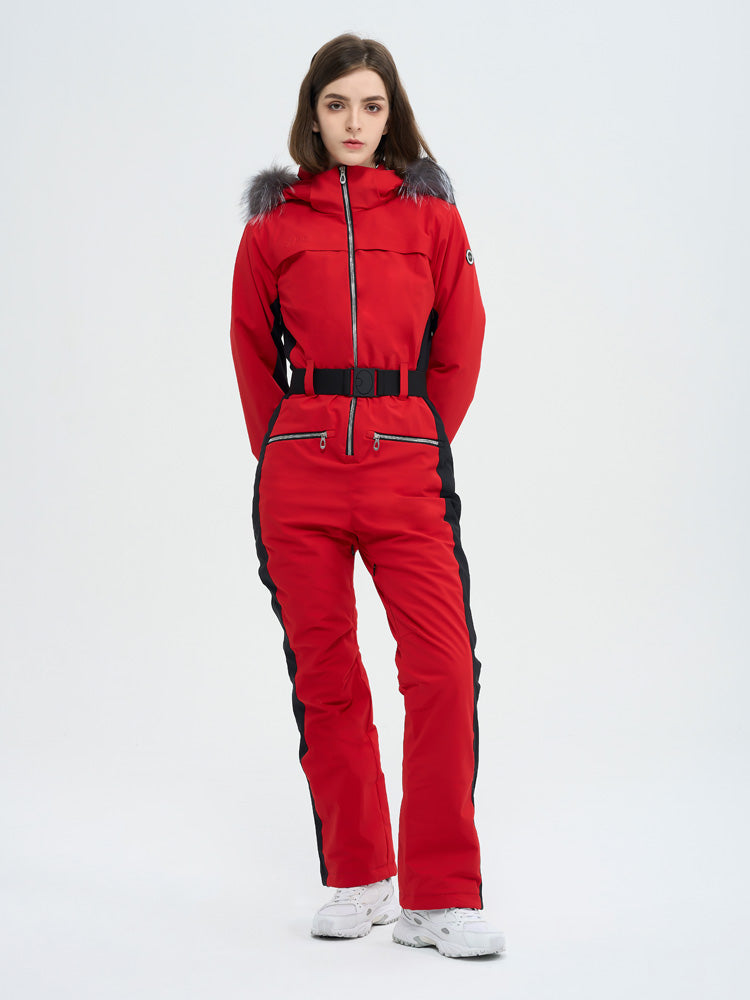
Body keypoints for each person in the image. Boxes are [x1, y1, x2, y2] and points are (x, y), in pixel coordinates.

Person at [230, 33, 504, 959]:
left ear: (393, 116)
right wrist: (285, 446)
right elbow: (250, 351)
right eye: (338, 104)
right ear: (314, 114)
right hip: (300, 471)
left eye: (372, 106)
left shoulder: (432, 218)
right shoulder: (272, 228)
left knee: (443, 668)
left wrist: (416, 433)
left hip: (405, 465)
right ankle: (359, 877)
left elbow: (461, 342)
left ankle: (440, 896)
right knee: (328, 677)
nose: (355, 121)